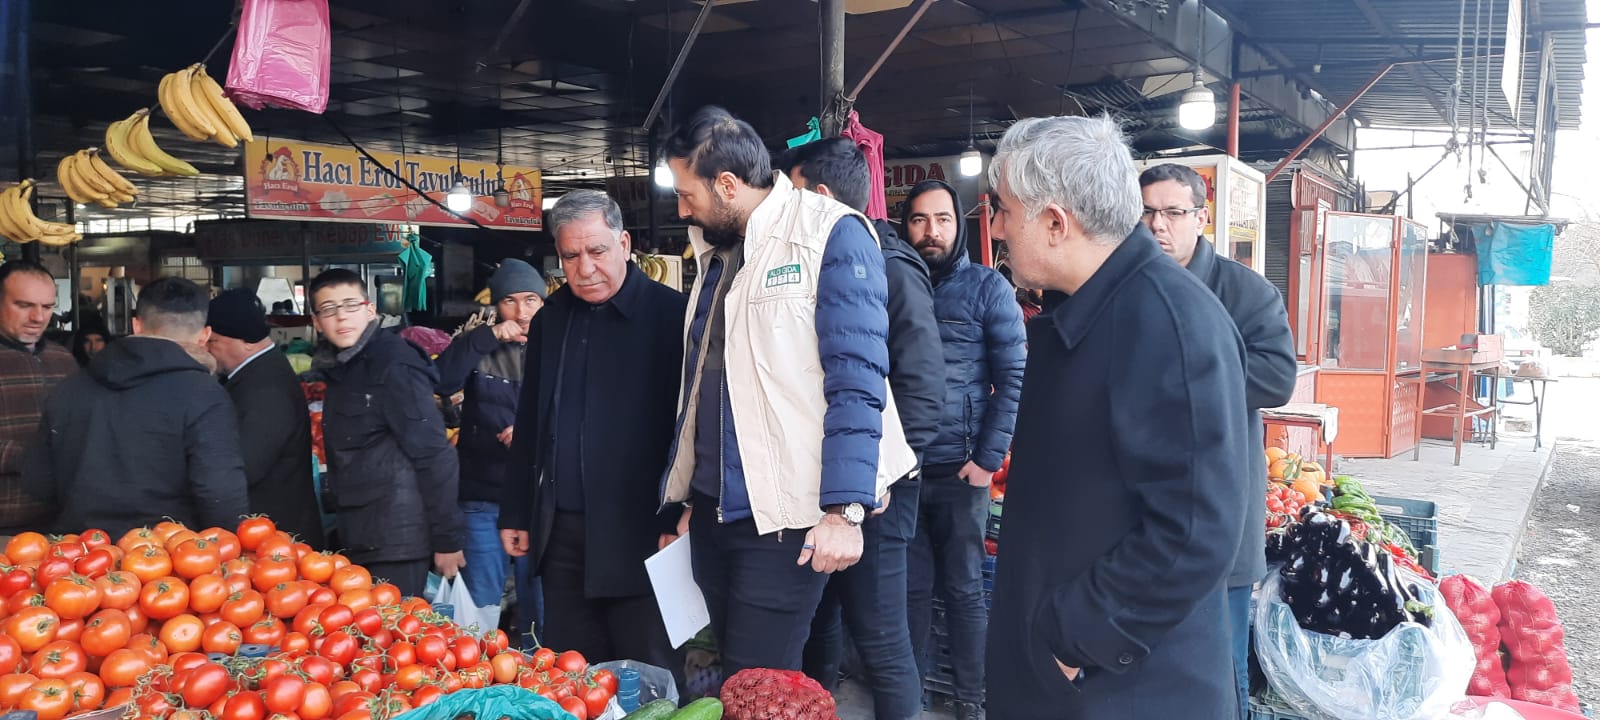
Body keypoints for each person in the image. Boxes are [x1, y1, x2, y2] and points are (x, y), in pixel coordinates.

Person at [981, 115, 1251, 719]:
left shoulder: (1170, 325)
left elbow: (1195, 531)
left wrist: (1074, 638)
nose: (996, 228)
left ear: (1056, 223)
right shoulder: (1082, 309)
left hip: (1126, 687)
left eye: (1003, 210)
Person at [657, 106, 917, 678]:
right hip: (715, 512)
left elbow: (857, 379)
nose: (681, 210)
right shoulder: (715, 250)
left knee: (760, 684)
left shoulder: (831, 232)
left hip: (786, 518)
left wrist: (843, 512)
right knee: (737, 681)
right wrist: (690, 499)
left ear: (727, 185)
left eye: (686, 194)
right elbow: (705, 381)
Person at [779, 138, 942, 720]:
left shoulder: (886, 262)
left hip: (880, 491)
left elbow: (924, 386)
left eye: (792, 196)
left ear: (821, 197)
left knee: (882, 638)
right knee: (819, 622)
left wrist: (880, 478)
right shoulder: (815, 263)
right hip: (825, 486)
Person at [497, 191, 687, 681]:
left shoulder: (672, 315)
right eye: (571, 256)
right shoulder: (552, 318)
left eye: (597, 251)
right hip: (563, 536)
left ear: (624, 244)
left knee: (651, 682)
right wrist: (517, 510)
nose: (585, 268)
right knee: (574, 679)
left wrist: (682, 512)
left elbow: (693, 427)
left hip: (646, 533)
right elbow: (532, 419)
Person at [1139, 162, 1298, 716]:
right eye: (1147, 212)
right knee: (1147, 668)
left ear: (1201, 218)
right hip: (1141, 507)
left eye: (1173, 212)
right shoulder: (1126, 288)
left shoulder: (1244, 291)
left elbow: (1277, 378)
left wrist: (1180, 376)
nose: (1158, 225)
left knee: (1218, 669)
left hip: (1217, 504)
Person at [901, 177, 1026, 717]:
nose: (932, 230)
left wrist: (986, 460)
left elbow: (1014, 376)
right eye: (920, 220)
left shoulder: (987, 288)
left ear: (959, 225)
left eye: (943, 219)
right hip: (902, 473)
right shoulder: (892, 282)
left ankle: (973, 699)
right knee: (909, 592)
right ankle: (912, 694)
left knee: (964, 590)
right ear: (906, 226)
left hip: (961, 470)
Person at [25, 277, 249, 536]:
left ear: (136, 324)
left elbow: (38, 483)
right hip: (168, 554)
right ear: (204, 335)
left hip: (82, 550)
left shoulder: (70, 387)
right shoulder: (204, 394)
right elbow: (219, 491)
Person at [308, 269, 465, 597]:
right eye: (329, 309)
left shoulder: (394, 363)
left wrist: (447, 539)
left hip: (397, 540)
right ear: (317, 322)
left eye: (350, 305)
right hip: (362, 533)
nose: (341, 316)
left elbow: (434, 454)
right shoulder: (343, 366)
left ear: (370, 309)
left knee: (394, 627)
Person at [434, 260, 544, 630]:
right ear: (496, 305)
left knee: (541, 600)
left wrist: (531, 433)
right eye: (510, 301)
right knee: (481, 601)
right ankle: (479, 661)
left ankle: (538, 660)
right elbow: (441, 380)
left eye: (531, 300)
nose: (521, 312)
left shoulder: (559, 347)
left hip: (538, 499)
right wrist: (489, 336)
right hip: (483, 496)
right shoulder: (479, 345)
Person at [205, 288, 326, 548]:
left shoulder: (266, 390)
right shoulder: (259, 373)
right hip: (270, 535)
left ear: (247, 341)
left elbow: (245, 466)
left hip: (276, 540)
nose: (208, 349)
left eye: (213, 341)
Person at [0, 262, 79, 533]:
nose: (38, 317)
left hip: (59, 521)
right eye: (24, 305)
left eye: (47, 307)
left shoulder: (62, 358)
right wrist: (29, 456)